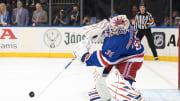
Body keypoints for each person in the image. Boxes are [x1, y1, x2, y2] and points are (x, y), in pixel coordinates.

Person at [73, 15, 145, 101]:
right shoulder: (124, 25)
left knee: (114, 81)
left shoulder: (118, 41)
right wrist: (100, 32)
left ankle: (130, 95)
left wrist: (83, 55)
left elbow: (103, 60)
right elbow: (110, 23)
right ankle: (104, 93)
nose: (112, 29)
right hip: (123, 54)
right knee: (101, 74)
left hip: (131, 58)